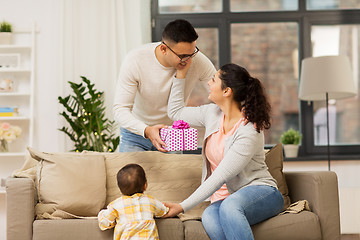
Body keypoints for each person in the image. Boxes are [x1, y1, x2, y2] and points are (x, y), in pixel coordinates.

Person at [163, 63, 284, 240]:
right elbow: (175, 112)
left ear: (227, 91)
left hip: (263, 192)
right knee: (209, 216)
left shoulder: (248, 131)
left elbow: (220, 176)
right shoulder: (212, 113)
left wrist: (181, 206)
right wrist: (180, 74)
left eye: (213, 80)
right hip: (230, 199)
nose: (209, 84)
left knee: (230, 206)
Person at [113, 19, 216, 152]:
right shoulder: (135, 60)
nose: (189, 60)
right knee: (129, 172)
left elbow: (220, 91)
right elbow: (120, 110)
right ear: (163, 49)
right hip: (137, 131)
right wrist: (147, 130)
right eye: (183, 56)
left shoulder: (197, 60)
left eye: (192, 53)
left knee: (173, 173)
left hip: (173, 132)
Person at [98, 164, 168, 240]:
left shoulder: (116, 205)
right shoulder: (150, 201)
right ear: (145, 185)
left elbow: (104, 222)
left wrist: (101, 213)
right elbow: (164, 211)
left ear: (119, 188)